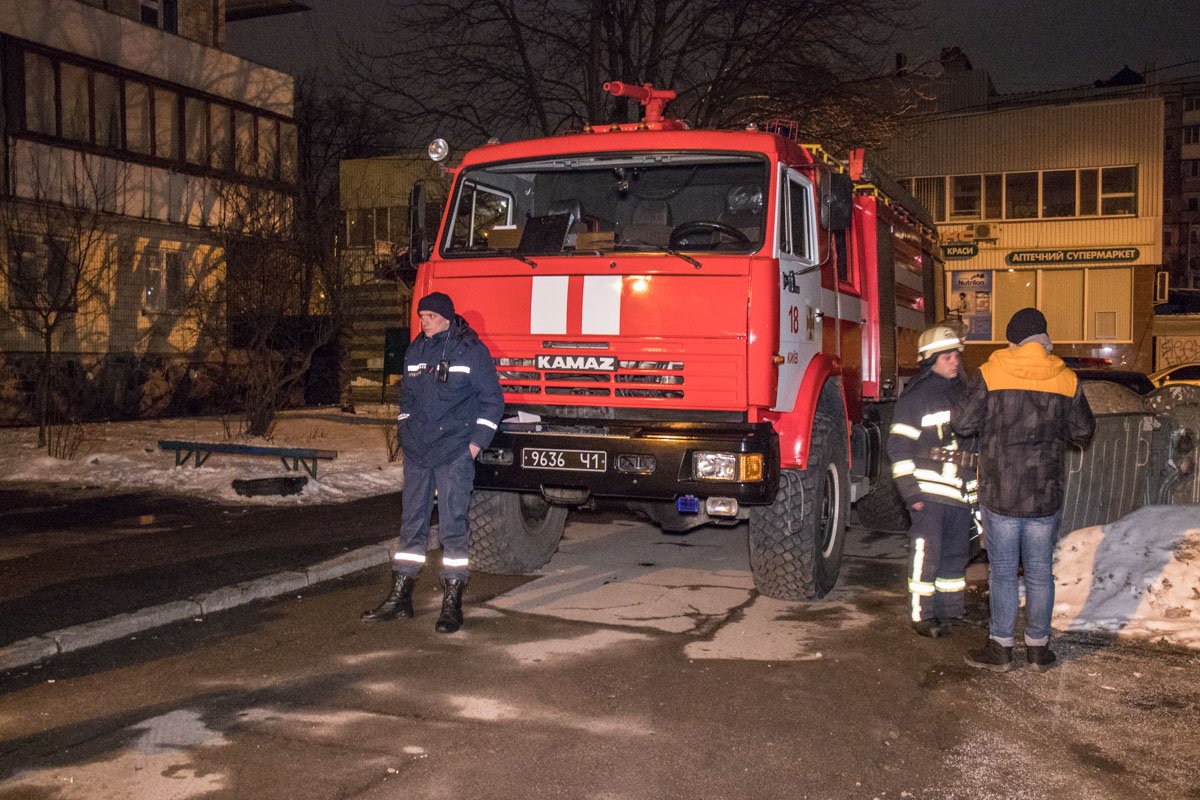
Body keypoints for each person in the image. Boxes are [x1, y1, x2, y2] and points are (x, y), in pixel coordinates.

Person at [954, 307, 1095, 672]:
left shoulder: (992, 372)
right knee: (1039, 572)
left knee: (1001, 571)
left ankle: (1000, 647)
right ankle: (1038, 648)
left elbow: (963, 422)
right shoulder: (1066, 378)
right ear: (1044, 339)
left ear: (1012, 338)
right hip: (1045, 494)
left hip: (1000, 491)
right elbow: (1083, 431)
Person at [362, 291, 503, 633]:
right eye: (420, 315)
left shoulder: (470, 351)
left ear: (444, 317)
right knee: (411, 524)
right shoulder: (416, 350)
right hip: (418, 453)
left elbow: (493, 402)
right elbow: (406, 397)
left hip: (454, 453)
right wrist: (405, 430)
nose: (422, 321)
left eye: (427, 316)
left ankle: (451, 603)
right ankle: (400, 598)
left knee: (453, 528)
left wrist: (473, 446)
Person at [887, 325, 978, 638]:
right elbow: (898, 447)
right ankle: (921, 616)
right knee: (928, 554)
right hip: (929, 491)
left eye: (957, 356)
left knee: (956, 555)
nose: (955, 361)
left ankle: (949, 610)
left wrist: (974, 492)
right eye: (948, 356)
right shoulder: (918, 396)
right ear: (930, 360)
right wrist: (911, 493)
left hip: (959, 493)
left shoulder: (964, 392)